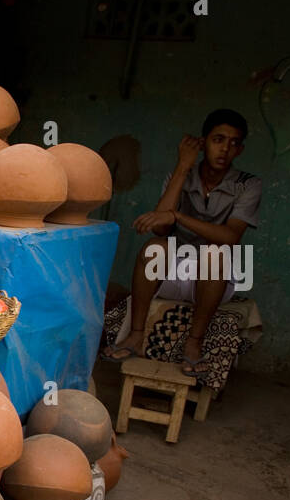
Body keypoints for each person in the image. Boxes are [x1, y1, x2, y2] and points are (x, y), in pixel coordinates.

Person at [102, 108, 261, 375]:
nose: (225, 149)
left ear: (240, 150)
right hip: (176, 275)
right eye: (218, 139)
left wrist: (177, 215)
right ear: (203, 142)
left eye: (233, 143)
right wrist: (183, 166)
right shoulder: (181, 175)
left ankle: (193, 344)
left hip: (216, 279)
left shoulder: (248, 184)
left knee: (214, 253)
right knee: (155, 247)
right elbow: (161, 227)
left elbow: (231, 237)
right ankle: (136, 335)